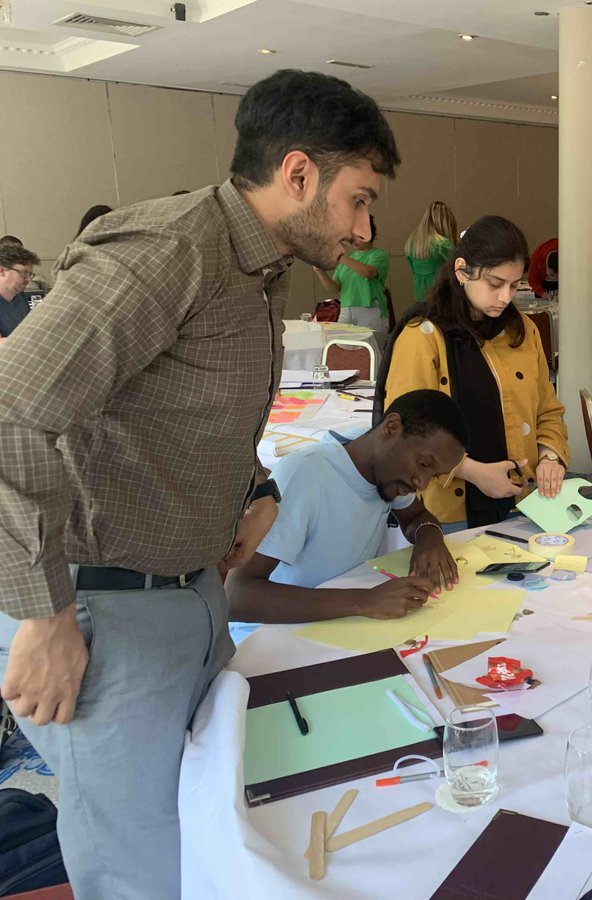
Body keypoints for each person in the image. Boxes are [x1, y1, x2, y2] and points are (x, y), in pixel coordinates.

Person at [0, 68, 399, 899]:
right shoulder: (172, 250)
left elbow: (183, 414)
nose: (366, 228)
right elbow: (12, 414)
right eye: (358, 200)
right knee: (141, 872)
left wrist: (257, 492)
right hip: (108, 611)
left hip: (192, 599)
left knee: (213, 839)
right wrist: (44, 615)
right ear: (298, 174)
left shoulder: (258, 269)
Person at [379, 216, 569, 529]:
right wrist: (473, 472)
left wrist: (550, 457)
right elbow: (407, 432)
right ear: (461, 270)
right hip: (451, 510)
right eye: (495, 284)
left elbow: (548, 411)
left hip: (524, 501)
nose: (506, 297)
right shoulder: (423, 335)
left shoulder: (522, 330)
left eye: (514, 285)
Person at [226, 390, 468, 625]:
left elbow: (416, 516)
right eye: (423, 463)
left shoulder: (385, 468)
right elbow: (237, 596)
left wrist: (429, 538)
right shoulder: (306, 474)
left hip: (344, 621)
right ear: (392, 427)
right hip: (276, 632)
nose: (422, 483)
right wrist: (364, 601)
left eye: (434, 475)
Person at [314, 213, 391, 340]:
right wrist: (320, 272)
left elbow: (368, 272)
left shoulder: (378, 255)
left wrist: (339, 256)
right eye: (351, 236)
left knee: (371, 348)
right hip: (346, 309)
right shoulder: (348, 259)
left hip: (370, 309)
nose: (354, 240)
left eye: (358, 236)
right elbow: (335, 287)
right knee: (341, 347)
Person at [406, 200, 457, 303]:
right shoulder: (442, 244)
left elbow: (413, 270)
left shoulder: (412, 243)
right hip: (441, 298)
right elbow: (455, 272)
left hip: (420, 298)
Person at [0, 244, 40, 340]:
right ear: (2, 271)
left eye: (30, 275)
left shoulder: (22, 297)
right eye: (24, 273)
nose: (29, 279)